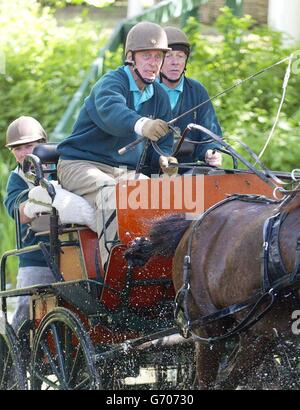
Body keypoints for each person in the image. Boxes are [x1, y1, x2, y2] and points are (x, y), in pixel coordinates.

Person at [57, 21, 177, 270]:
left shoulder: (161, 96)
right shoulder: (111, 83)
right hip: (79, 163)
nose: (154, 63)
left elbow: (162, 143)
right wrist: (142, 124)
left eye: (158, 56)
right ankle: (114, 271)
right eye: (147, 56)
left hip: (122, 170)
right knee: (113, 194)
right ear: (130, 57)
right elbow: (113, 113)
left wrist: (163, 159)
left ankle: (159, 270)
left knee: (161, 197)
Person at [3, 116, 56, 333]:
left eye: (30, 146)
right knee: (26, 310)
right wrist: (35, 202)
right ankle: (16, 362)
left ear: (43, 143)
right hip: (36, 257)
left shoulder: (61, 165)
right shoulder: (17, 179)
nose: (24, 153)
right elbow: (17, 211)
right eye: (18, 149)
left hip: (72, 251)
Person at [159, 26, 223, 169]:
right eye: (168, 56)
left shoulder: (197, 91)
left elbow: (210, 134)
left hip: (187, 170)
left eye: (180, 56)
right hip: (151, 171)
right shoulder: (147, 89)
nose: (175, 62)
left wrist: (210, 152)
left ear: (186, 60)